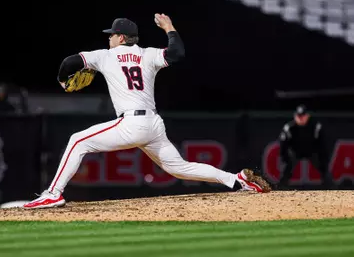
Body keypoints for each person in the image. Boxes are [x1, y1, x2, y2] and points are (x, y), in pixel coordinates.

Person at [24, 14, 271, 209]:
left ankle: (53, 194)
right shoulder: (148, 54)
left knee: (77, 140)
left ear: (121, 37)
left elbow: (69, 62)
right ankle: (237, 179)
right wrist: (169, 27)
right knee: (179, 167)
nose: (109, 39)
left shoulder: (106, 56)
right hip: (153, 123)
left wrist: (62, 81)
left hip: (131, 124)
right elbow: (177, 53)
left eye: (112, 35)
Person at [278, 105, 331, 188]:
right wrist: (284, 158)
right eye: (299, 116)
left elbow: (322, 145)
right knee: (286, 168)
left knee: (323, 167)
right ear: (295, 116)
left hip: (311, 151)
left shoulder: (315, 127)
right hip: (295, 151)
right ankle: (280, 188)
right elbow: (283, 146)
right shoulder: (289, 128)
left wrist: (324, 157)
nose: (301, 118)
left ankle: (332, 188)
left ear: (307, 116)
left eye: (303, 116)